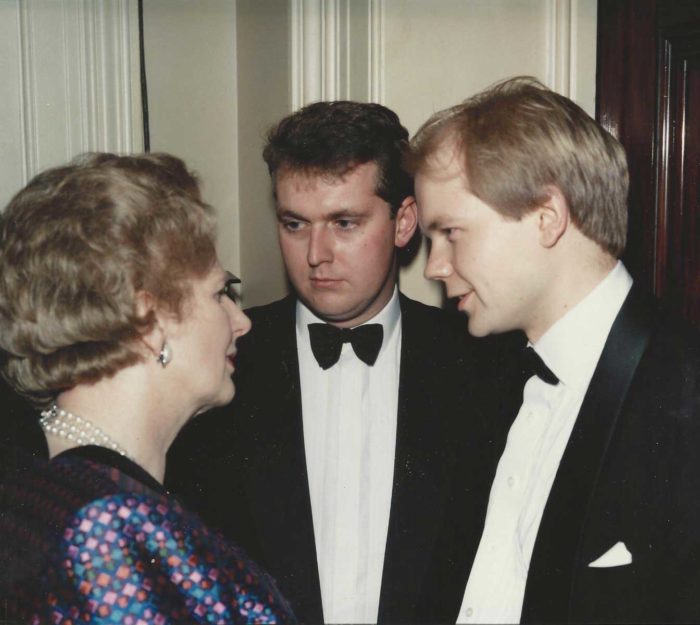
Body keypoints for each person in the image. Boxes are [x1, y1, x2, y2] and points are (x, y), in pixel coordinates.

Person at [167, 101, 480, 624]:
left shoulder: (478, 365)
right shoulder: (220, 362)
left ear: (404, 223)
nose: (316, 254)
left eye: (345, 222)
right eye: (295, 224)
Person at [409, 76, 700, 624]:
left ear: (547, 218)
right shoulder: (486, 379)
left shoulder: (686, 393)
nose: (433, 266)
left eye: (450, 232)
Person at [0, 152, 296, 624]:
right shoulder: (110, 529)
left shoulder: (42, 490)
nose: (241, 322)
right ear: (149, 322)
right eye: (220, 293)